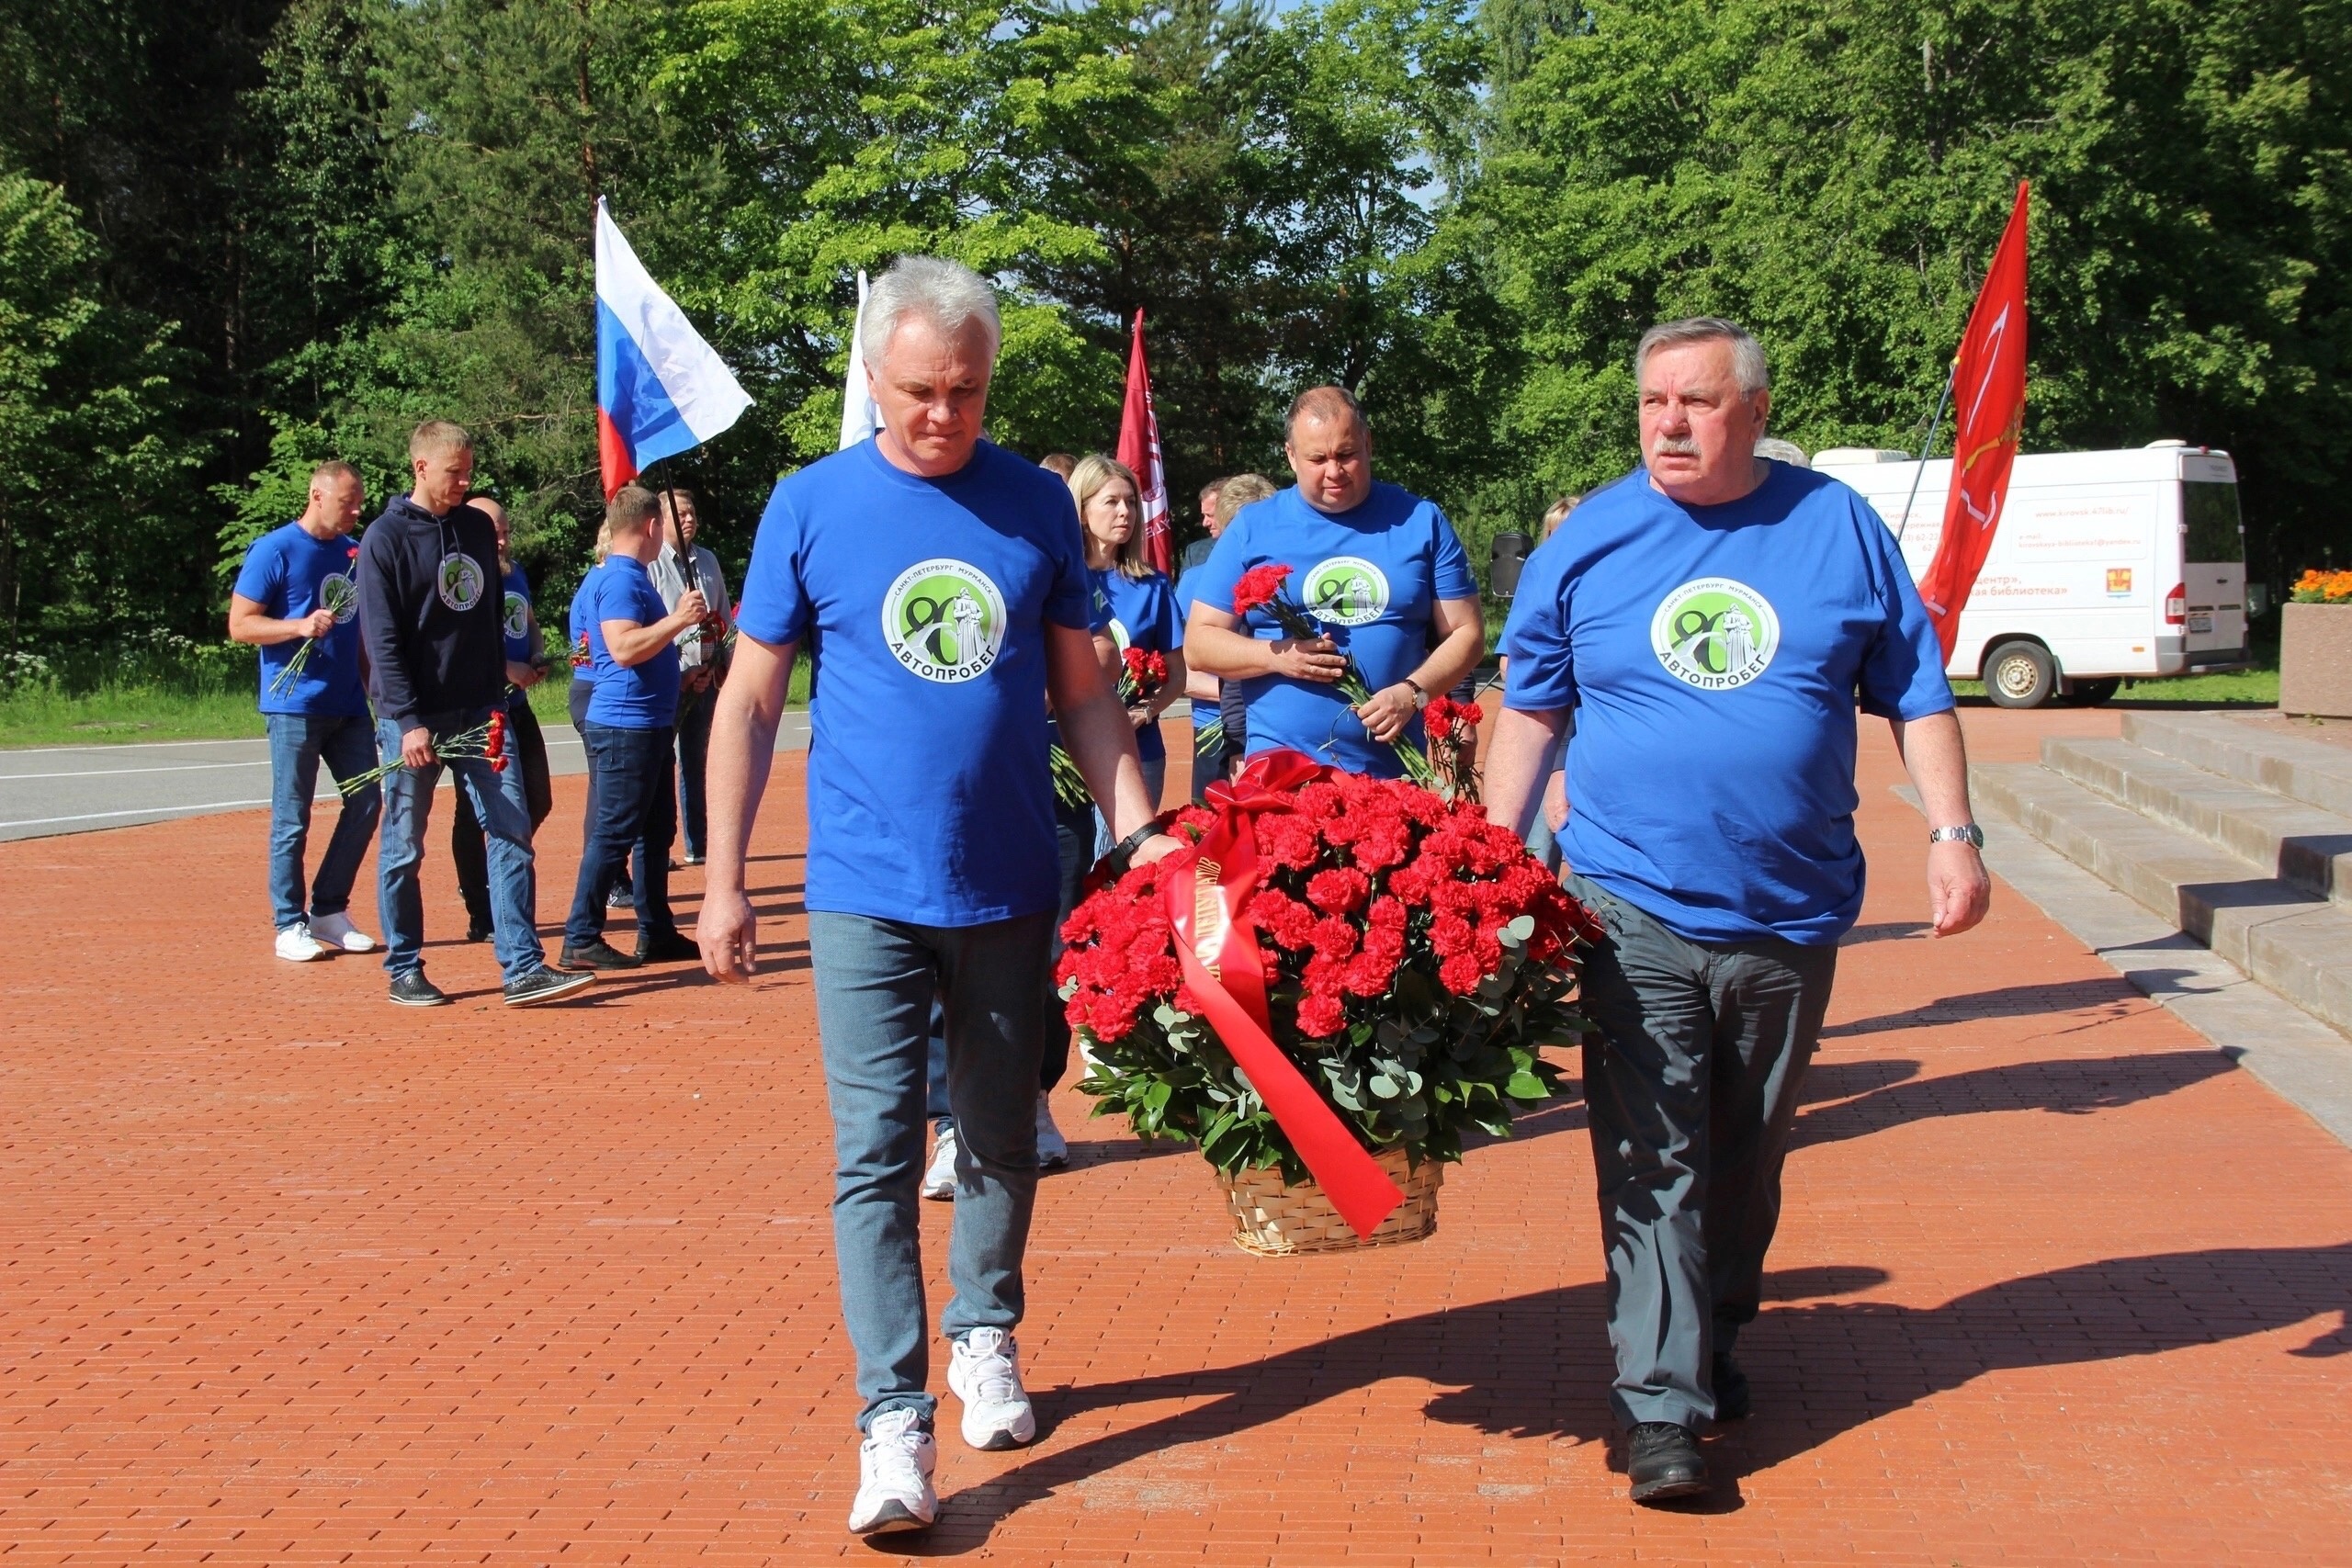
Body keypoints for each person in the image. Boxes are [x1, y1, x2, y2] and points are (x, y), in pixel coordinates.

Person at [696, 255, 1178, 1538]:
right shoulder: (809, 505)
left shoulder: (1033, 505)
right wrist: (726, 878)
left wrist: (1137, 832)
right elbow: (748, 698)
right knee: (874, 1155)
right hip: (862, 885)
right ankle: (892, 1421)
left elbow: (1083, 689)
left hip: (1015, 875)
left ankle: (986, 1333)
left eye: (965, 391)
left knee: (1003, 1130)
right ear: (873, 375)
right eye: (918, 390)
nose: (941, 415)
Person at [1480, 317, 1992, 1505]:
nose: (1668, 422)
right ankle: (1659, 1404)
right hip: (1629, 895)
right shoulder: (1592, 539)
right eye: (1653, 401)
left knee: (1747, 1150)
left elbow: (1917, 692)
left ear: (1753, 411)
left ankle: (1716, 1319)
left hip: (1791, 909)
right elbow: (1531, 708)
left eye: (1696, 403)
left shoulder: (1836, 529)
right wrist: (1493, 862)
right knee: (1651, 1149)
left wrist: (1955, 834)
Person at [356, 421, 594, 1008]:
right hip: (411, 718)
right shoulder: (384, 539)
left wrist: (497, 694)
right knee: (404, 844)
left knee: (511, 829)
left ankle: (523, 966)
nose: (464, 482)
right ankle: (404, 967)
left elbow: (490, 618)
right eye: (452, 472)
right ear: (420, 468)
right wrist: (408, 720)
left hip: (482, 712)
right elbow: (381, 639)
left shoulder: (476, 529)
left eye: (468, 471)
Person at [1185, 390, 1484, 777]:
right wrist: (1276, 656)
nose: (1334, 471)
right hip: (1282, 771)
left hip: (1393, 772)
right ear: (1291, 455)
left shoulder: (1421, 520)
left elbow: (1467, 632)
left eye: (1346, 454)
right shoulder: (1251, 527)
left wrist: (1413, 693)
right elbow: (1199, 644)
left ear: (1368, 443)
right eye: (1317, 459)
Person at [227, 459, 382, 962]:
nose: (356, 511)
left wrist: (374, 691)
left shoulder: (353, 553)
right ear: (318, 496)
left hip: (349, 707)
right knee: (293, 816)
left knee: (366, 803)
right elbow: (241, 625)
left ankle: (330, 911)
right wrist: (297, 627)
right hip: (294, 705)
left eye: (360, 502)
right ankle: (288, 923)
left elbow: (358, 634)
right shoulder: (275, 549)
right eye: (348, 502)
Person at [560, 484, 708, 971]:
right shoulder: (622, 580)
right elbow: (622, 648)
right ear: (650, 527)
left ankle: (656, 930)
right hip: (626, 724)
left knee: (655, 829)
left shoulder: (630, 576)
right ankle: (581, 935)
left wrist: (681, 672)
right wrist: (679, 621)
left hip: (647, 721)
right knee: (615, 831)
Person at [450, 497, 553, 942]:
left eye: (505, 528)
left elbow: (527, 620)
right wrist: (503, 668)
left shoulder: (515, 572)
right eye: (493, 530)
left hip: (516, 702)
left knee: (538, 798)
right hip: (477, 706)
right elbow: (459, 643)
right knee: (475, 813)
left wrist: (536, 652)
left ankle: (497, 866)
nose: (502, 537)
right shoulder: (464, 576)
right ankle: (481, 907)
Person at [1071, 454, 1186, 825]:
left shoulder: (1153, 586)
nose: (1126, 512)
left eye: (1132, 502)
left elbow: (1176, 673)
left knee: (1122, 869)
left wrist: (1145, 711)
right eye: (1112, 502)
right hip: (1063, 753)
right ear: (1083, 509)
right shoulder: (1059, 580)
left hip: (1138, 752)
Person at [648, 488, 733, 867]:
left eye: (692, 512)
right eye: (680, 513)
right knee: (659, 764)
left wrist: (720, 666)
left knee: (699, 762)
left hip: (704, 679)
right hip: (666, 679)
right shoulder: (651, 562)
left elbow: (724, 615)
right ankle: (656, 847)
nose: (689, 520)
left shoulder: (709, 561)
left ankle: (699, 843)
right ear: (660, 520)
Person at [568, 522, 636, 913]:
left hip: (593, 688)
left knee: (607, 790)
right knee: (606, 793)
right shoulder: (606, 585)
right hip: (595, 691)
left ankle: (614, 875)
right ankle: (607, 879)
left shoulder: (598, 583)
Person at [1171, 477, 1229, 801]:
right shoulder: (1195, 579)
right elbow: (1178, 670)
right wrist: (1238, 695)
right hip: (1212, 729)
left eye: (1212, 514)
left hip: (1270, 732)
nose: (1205, 522)